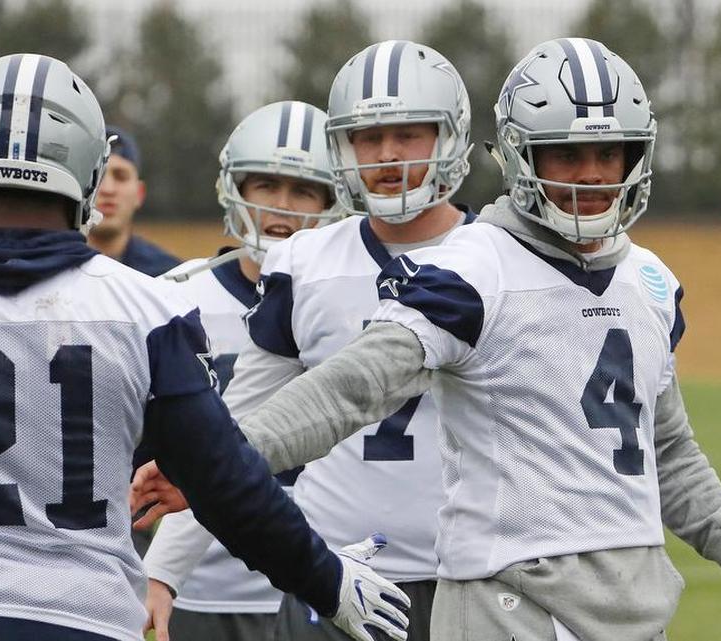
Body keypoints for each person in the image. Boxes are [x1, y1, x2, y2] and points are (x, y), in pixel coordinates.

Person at [133, 38, 721, 641]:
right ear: (519, 154)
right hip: (464, 592)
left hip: (621, 603)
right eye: (567, 154)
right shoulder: (471, 264)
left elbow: (668, 449)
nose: (595, 173)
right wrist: (216, 466)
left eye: (611, 152)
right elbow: (350, 387)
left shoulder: (652, 281)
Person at [0, 53, 409, 641]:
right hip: (89, 618)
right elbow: (227, 485)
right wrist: (325, 579)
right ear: (87, 170)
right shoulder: (147, 309)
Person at [141, 40, 476, 641]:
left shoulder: (503, 259)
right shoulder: (306, 262)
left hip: (476, 580)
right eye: (367, 137)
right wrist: (163, 573)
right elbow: (238, 432)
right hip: (337, 579)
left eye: (409, 134)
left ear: (450, 137)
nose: (387, 155)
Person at [141, 100, 341, 641]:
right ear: (236, 189)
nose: (283, 207)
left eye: (304, 190)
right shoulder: (174, 296)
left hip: (316, 581)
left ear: (335, 199)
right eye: (266, 186)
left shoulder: (348, 301)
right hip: (193, 584)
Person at [85, 125, 181, 276]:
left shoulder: (169, 277)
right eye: (97, 176)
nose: (108, 189)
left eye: (121, 176)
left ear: (139, 193)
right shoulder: (47, 270)